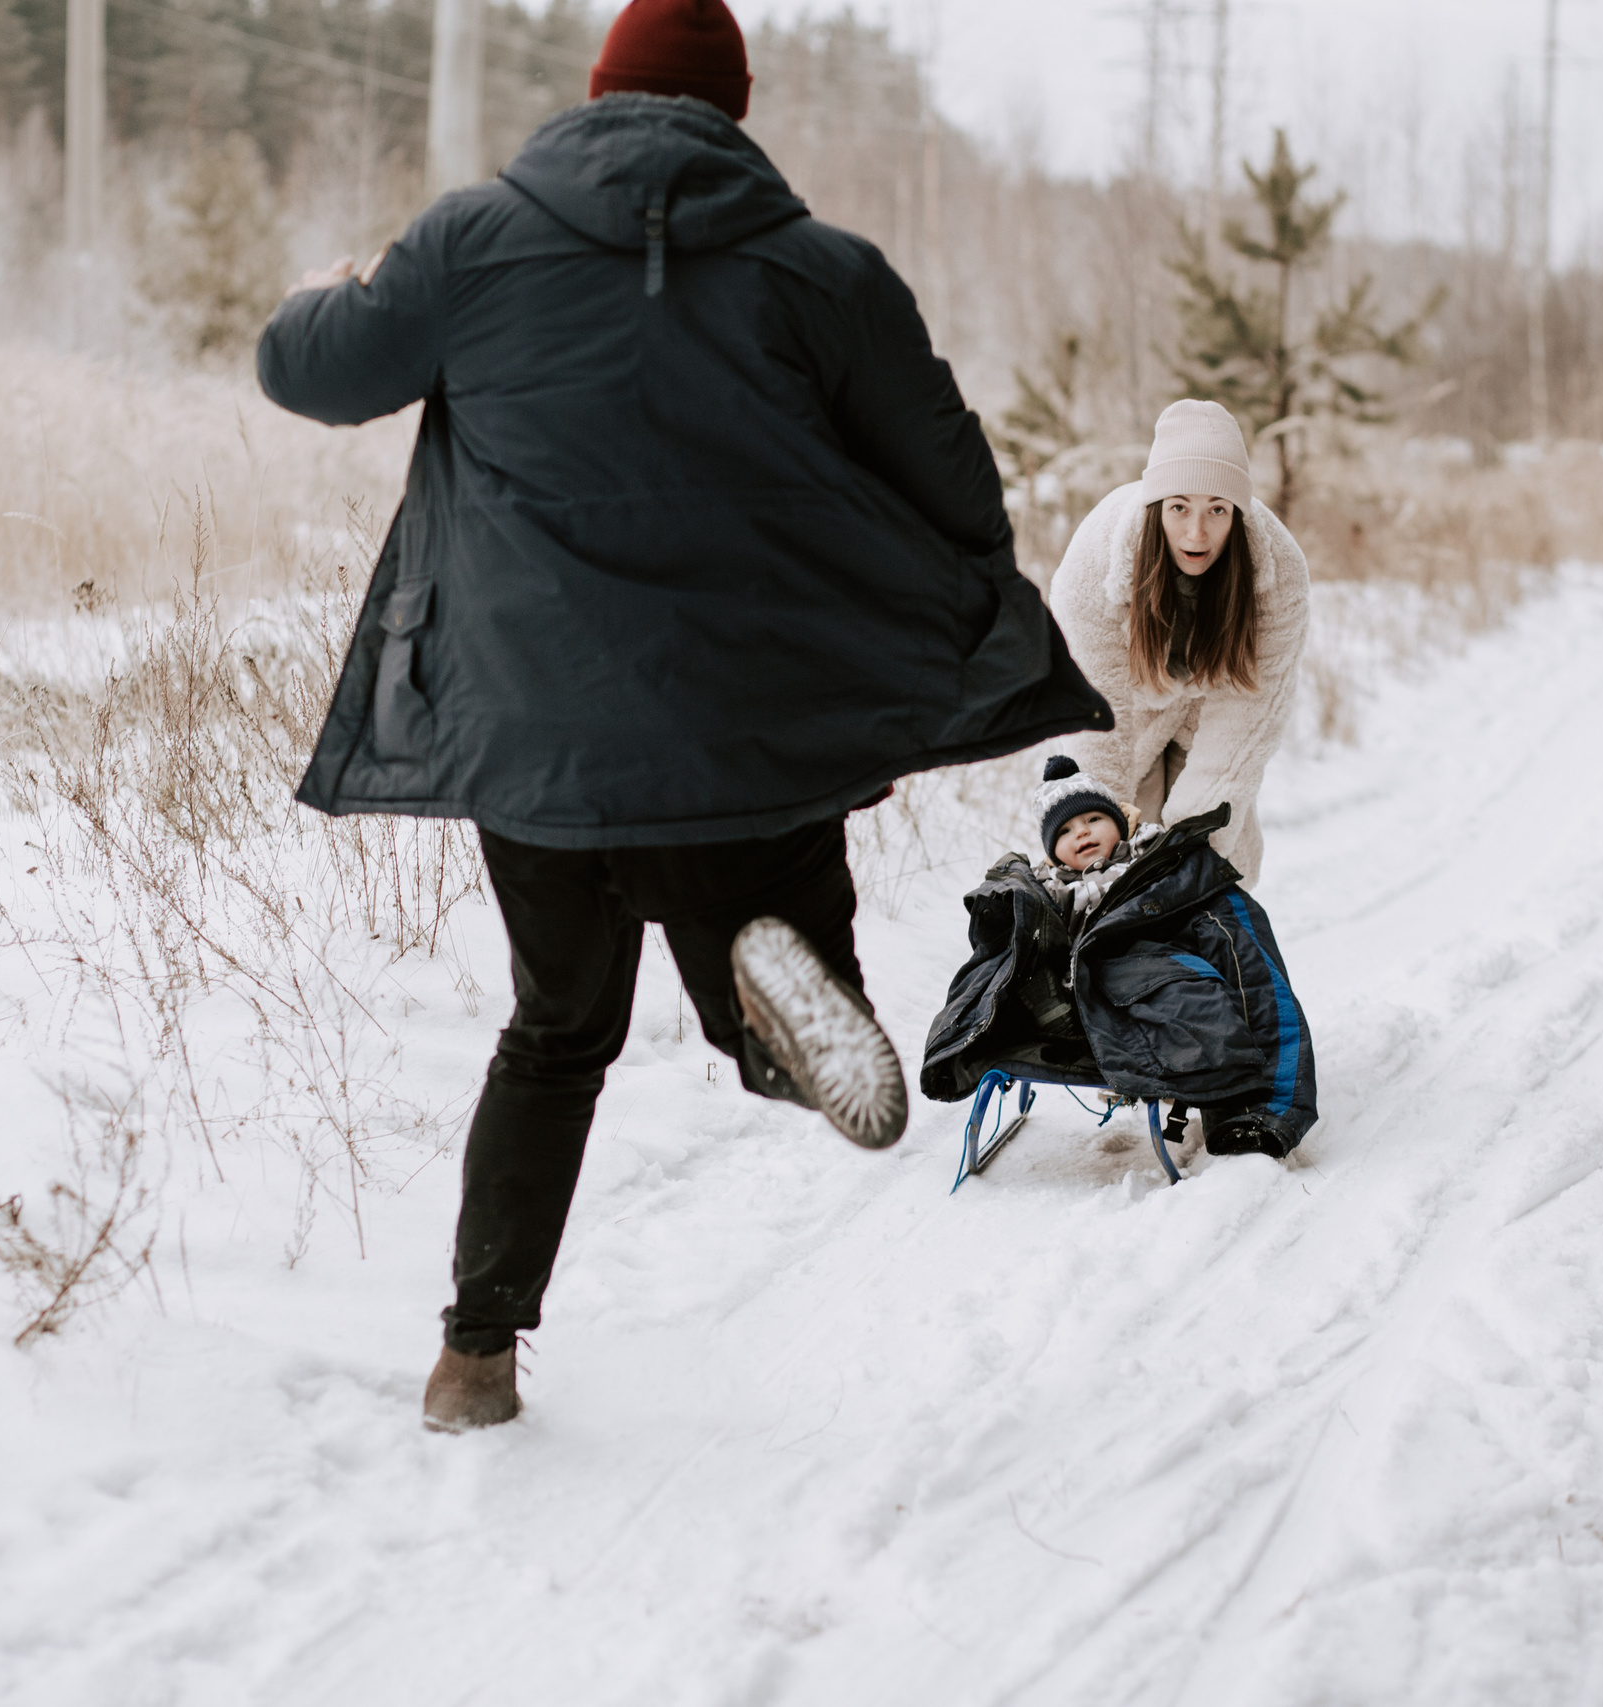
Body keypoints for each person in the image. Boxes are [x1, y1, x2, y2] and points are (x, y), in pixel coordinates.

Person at [256, 0, 1110, 1433]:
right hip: (756, 729)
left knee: (555, 1028)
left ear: (593, 98)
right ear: (736, 113)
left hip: (536, 740)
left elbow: (309, 373)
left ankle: (475, 1356)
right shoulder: (826, 275)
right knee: (768, 945)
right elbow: (962, 493)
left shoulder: (473, 243)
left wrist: (322, 293)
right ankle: (772, 1011)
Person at [919, 757, 1318, 1158]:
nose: (1083, 832)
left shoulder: (1166, 873)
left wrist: (1272, 1110)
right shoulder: (1044, 895)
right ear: (1052, 851)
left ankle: (1241, 1103)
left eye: (1094, 818)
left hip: (1153, 995)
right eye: (1066, 830)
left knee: (1198, 995)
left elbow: (1256, 979)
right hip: (1070, 1006)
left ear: (1121, 821)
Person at [1048, 399, 1309, 889]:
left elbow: (1248, 716)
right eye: (1179, 508)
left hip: (1213, 712)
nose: (1197, 531)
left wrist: (1194, 845)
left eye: (1217, 509)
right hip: (1132, 711)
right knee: (1116, 868)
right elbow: (1096, 708)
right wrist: (1102, 837)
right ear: (1156, 506)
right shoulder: (1097, 557)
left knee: (1212, 867)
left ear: (1239, 511)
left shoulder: (1279, 574)